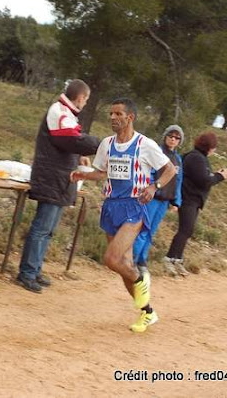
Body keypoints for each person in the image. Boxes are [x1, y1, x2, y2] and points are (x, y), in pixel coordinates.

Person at [71, 98, 176, 333]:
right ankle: (147, 312)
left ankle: (142, 281)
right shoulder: (107, 144)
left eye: (118, 114)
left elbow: (170, 169)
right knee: (123, 265)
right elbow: (102, 173)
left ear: (130, 118)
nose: (112, 118)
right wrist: (83, 175)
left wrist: (154, 187)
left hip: (133, 207)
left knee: (111, 259)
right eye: (111, 113)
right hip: (111, 206)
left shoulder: (144, 144)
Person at [16, 79, 100, 293]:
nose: (86, 103)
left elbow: (70, 142)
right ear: (80, 97)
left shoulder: (67, 113)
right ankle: (26, 273)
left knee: (49, 230)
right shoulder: (59, 111)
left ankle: (34, 269)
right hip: (52, 176)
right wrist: (101, 144)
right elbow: (69, 140)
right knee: (42, 228)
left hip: (59, 177)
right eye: (87, 99)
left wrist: (80, 155)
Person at [164, 132, 227, 276]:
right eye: (214, 147)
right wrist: (221, 176)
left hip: (192, 200)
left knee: (187, 230)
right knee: (185, 230)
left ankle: (177, 260)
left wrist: (216, 174)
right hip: (188, 199)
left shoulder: (198, 158)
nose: (214, 150)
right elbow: (204, 181)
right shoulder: (196, 158)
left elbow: (204, 177)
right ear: (209, 147)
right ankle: (169, 259)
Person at [133, 125, 184, 274]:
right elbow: (148, 172)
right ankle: (132, 259)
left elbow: (179, 181)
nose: (173, 139)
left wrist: (176, 201)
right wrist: (149, 189)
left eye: (177, 137)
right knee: (143, 228)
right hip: (152, 198)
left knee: (151, 231)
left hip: (165, 200)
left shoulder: (178, 159)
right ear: (165, 136)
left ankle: (142, 259)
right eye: (170, 136)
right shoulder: (158, 152)